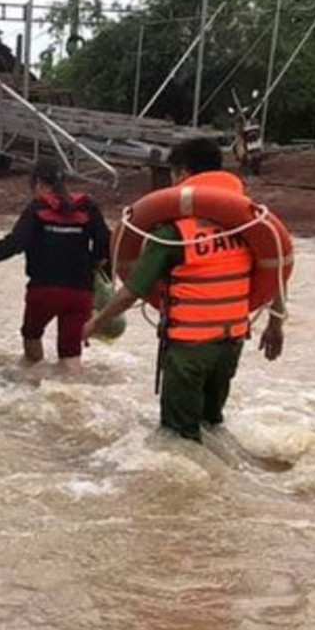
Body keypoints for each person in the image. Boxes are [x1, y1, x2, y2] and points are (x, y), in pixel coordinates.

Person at [83, 137, 285, 441]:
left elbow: (131, 292)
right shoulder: (249, 229)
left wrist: (95, 323)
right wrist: (275, 324)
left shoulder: (171, 235)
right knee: (211, 424)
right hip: (230, 345)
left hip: (189, 351)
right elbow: (277, 270)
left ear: (183, 175)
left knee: (178, 439)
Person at [0, 156, 111, 372]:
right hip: (80, 293)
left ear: (38, 182)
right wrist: (97, 267)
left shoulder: (37, 208)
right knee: (71, 356)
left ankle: (34, 382)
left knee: (31, 337)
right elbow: (106, 244)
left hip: (43, 291)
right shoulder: (88, 207)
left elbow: (14, 244)